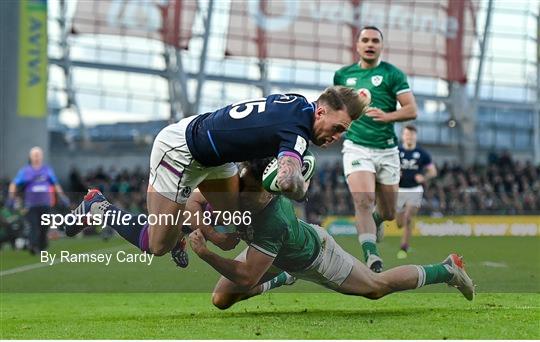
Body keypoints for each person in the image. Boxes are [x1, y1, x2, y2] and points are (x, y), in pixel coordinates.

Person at [67, 87, 367, 262]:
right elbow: (289, 180)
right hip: (181, 152)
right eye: (337, 128)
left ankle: (180, 227)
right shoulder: (297, 131)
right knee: (156, 245)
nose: (336, 136)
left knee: (231, 216)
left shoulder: (299, 102)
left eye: (343, 132)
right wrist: (302, 181)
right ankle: (98, 205)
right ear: (321, 113)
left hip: (215, 153)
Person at [187, 158, 475, 310]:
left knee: (376, 288)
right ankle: (282, 277)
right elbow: (195, 201)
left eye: (253, 190)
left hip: (315, 256)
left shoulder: (275, 218)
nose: (243, 195)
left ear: (270, 189)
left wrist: (206, 253)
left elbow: (246, 275)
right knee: (221, 300)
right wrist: (210, 232)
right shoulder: (237, 188)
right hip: (273, 254)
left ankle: (447, 269)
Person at [334, 26, 417, 272]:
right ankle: (372, 256)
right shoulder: (342, 75)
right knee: (364, 200)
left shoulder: (393, 74)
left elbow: (411, 110)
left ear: (381, 46)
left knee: (389, 213)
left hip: (387, 151)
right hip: (357, 147)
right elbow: (336, 110)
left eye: (375, 41)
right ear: (357, 45)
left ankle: (378, 220)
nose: (370, 44)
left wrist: (388, 115)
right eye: (365, 40)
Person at [8, 147, 69, 255]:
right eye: (34, 155)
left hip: (45, 203)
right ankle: (33, 245)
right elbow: (14, 184)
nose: (36, 157)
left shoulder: (47, 170)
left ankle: (42, 246)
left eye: (38, 155)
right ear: (30, 157)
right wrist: (11, 197)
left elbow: (55, 184)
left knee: (44, 227)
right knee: (34, 226)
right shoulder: (25, 171)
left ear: (41, 156)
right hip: (31, 205)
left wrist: (62, 196)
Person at [396, 125, 437, 259]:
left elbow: (433, 171)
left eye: (412, 134)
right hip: (398, 190)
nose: (409, 136)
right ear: (403, 136)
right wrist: (395, 174)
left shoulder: (422, 153)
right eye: (407, 134)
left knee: (408, 218)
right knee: (399, 222)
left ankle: (404, 247)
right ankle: (400, 216)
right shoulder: (395, 152)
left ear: (415, 136)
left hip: (415, 190)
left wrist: (424, 177)